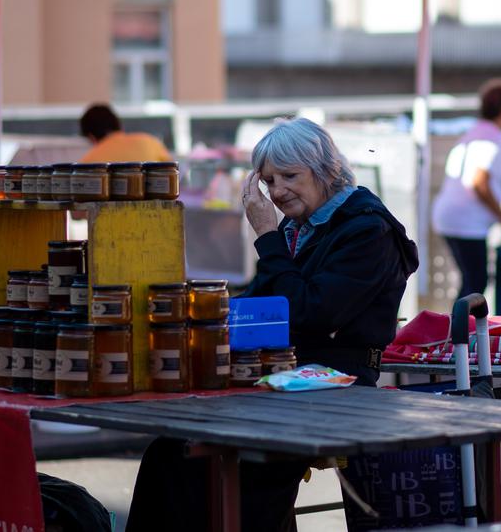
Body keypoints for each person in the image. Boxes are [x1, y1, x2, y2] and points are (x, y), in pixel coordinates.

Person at [126, 118, 418, 532]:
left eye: (289, 176)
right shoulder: (299, 227)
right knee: (168, 451)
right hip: (281, 377)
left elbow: (309, 312)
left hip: (337, 383)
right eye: (268, 180)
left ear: (325, 170)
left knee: (249, 463)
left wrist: (266, 236)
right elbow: (266, 296)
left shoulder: (367, 230)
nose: (278, 191)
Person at [432, 78, 501, 300]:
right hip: (466, 222)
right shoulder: (491, 137)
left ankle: (457, 330)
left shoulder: (474, 132)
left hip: (451, 217)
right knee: (475, 283)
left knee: (471, 281)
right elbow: (478, 181)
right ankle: (459, 333)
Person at [77, 103, 172, 163]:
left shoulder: (88, 163)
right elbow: (173, 172)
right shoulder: (149, 141)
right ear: (118, 124)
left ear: (91, 137)